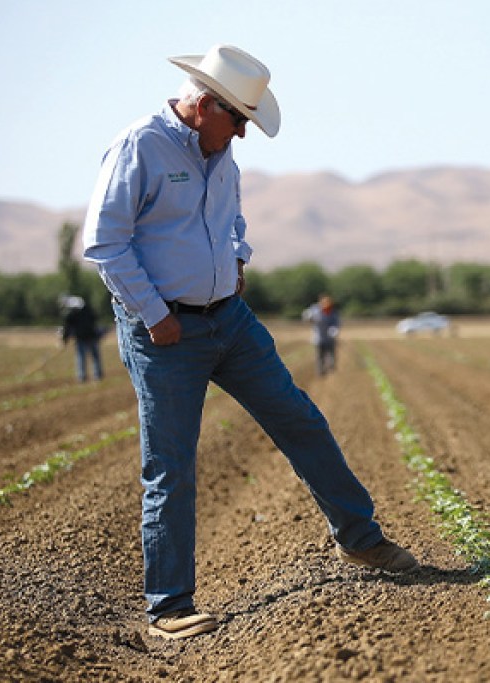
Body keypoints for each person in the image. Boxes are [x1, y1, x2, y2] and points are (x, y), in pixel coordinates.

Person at [82, 44, 417, 641]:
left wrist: (237, 259)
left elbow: (234, 224)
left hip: (229, 320)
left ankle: (360, 539)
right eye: (237, 120)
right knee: (172, 464)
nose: (241, 134)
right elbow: (106, 243)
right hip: (166, 333)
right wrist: (157, 315)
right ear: (206, 104)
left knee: (300, 419)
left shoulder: (222, 158)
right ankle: (169, 607)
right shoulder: (141, 146)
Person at [60, 295, 104, 382]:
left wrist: (65, 339)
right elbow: (95, 319)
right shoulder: (88, 310)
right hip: (90, 336)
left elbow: (67, 328)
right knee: (92, 356)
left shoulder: (71, 314)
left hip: (84, 337)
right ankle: (96, 375)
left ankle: (83, 376)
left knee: (82, 357)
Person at [302, 294, 340, 376]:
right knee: (319, 356)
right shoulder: (314, 309)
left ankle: (331, 369)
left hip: (330, 339)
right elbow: (305, 316)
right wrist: (308, 317)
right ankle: (320, 372)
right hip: (318, 338)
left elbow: (336, 323)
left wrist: (334, 330)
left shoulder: (333, 312)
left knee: (331, 356)